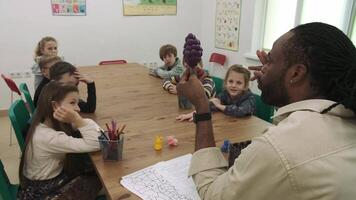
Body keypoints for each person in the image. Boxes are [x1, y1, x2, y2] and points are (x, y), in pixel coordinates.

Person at [176, 22, 356, 199]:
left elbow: (212, 194)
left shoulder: (278, 148)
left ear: (296, 73)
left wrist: (202, 104)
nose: (263, 68)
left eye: (269, 61)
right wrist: (277, 81)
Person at [17, 81, 104, 199]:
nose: (78, 108)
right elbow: (98, 142)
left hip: (42, 183)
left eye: (77, 103)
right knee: (99, 177)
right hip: (43, 193)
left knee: (91, 169)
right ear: (54, 106)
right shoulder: (48, 137)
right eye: (73, 103)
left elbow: (99, 134)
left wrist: (80, 121)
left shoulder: (45, 123)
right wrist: (79, 121)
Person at [176, 64, 255, 121]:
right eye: (231, 81)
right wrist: (196, 113)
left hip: (244, 129)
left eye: (239, 83)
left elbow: (240, 111)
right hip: (228, 125)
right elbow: (212, 105)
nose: (233, 85)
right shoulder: (225, 93)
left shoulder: (249, 97)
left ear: (245, 86)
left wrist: (219, 106)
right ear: (226, 82)